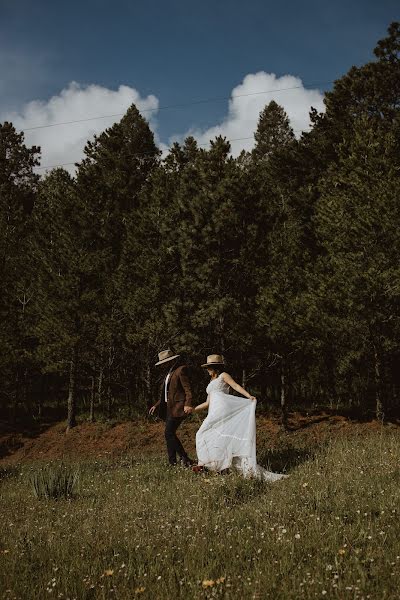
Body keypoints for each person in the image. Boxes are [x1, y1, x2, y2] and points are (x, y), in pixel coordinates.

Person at [194, 354, 287, 481]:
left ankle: (207, 464)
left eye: (209, 368)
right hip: (214, 410)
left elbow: (235, 386)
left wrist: (249, 396)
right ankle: (215, 465)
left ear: (214, 367)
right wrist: (192, 409)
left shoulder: (223, 375)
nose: (207, 370)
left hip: (223, 409)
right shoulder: (211, 382)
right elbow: (207, 403)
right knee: (205, 435)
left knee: (203, 433)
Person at [149, 349, 194, 467]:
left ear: (171, 361)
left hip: (178, 407)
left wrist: (188, 403)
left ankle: (185, 458)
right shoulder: (168, 373)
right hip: (169, 408)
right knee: (169, 434)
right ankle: (172, 462)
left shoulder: (180, 370)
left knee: (168, 433)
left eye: (165, 362)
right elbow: (166, 394)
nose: (163, 365)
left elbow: (188, 389)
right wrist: (156, 405)